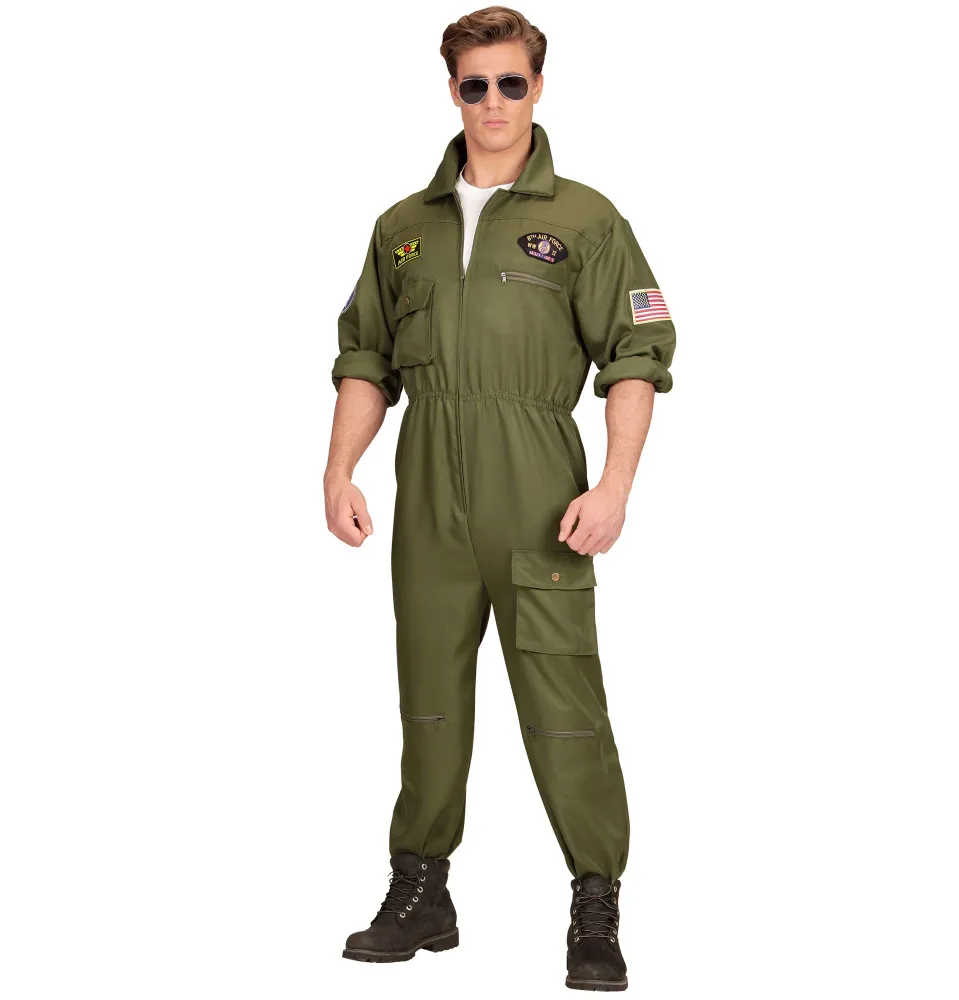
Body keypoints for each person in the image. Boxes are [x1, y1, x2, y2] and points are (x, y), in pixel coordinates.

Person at [324, 6, 676, 991]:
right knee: (429, 702)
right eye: (474, 84)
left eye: (509, 83)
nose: (492, 101)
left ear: (537, 88)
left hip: (538, 490)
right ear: (452, 91)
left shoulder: (586, 220)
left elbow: (637, 354)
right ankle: (420, 888)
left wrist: (613, 485)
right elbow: (365, 358)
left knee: (563, 702)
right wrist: (338, 469)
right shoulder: (403, 229)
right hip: (428, 491)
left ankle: (595, 901)